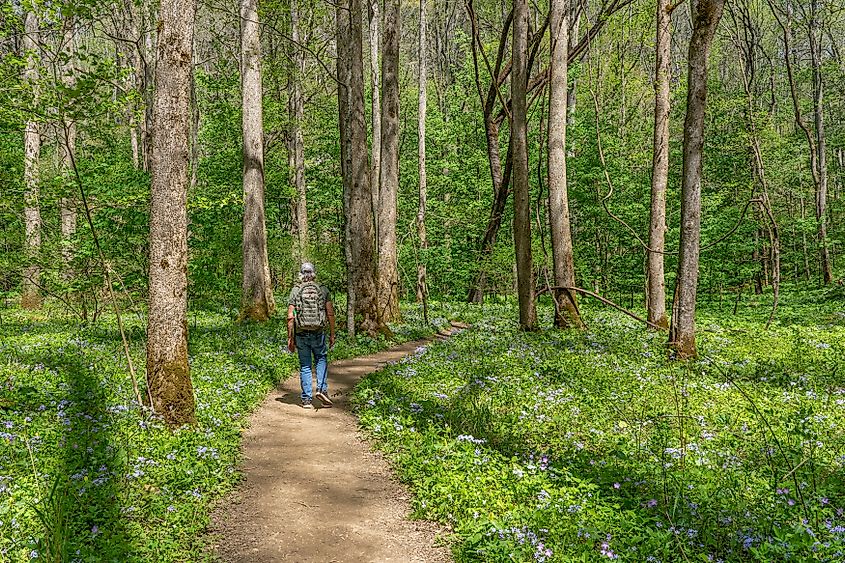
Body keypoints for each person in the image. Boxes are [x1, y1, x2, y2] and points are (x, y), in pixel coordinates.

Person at [287, 262, 336, 409]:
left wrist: (290, 337)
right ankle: (322, 390)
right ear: (314, 273)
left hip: (301, 333)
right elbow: (330, 313)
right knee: (321, 359)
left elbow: (290, 316)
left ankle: (307, 400)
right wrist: (332, 333)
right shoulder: (322, 290)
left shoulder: (296, 290)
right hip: (318, 333)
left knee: (305, 365)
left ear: (301, 274)